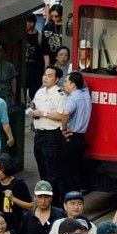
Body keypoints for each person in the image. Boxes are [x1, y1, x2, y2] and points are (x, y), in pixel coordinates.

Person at [30, 65, 66, 200]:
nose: (45, 78)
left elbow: (62, 115)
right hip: (39, 134)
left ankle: (55, 202)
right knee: (42, 169)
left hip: (52, 135)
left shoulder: (59, 95)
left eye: (50, 76)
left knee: (52, 172)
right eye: (45, 75)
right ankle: (43, 198)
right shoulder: (40, 92)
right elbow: (34, 106)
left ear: (57, 79)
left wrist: (43, 113)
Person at [60, 72, 92, 194]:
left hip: (71, 137)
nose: (64, 84)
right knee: (76, 170)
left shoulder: (73, 98)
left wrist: (63, 129)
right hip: (81, 138)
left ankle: (69, 199)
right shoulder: (85, 94)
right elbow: (85, 84)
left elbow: (66, 113)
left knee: (68, 172)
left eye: (67, 82)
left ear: (73, 85)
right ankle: (76, 196)